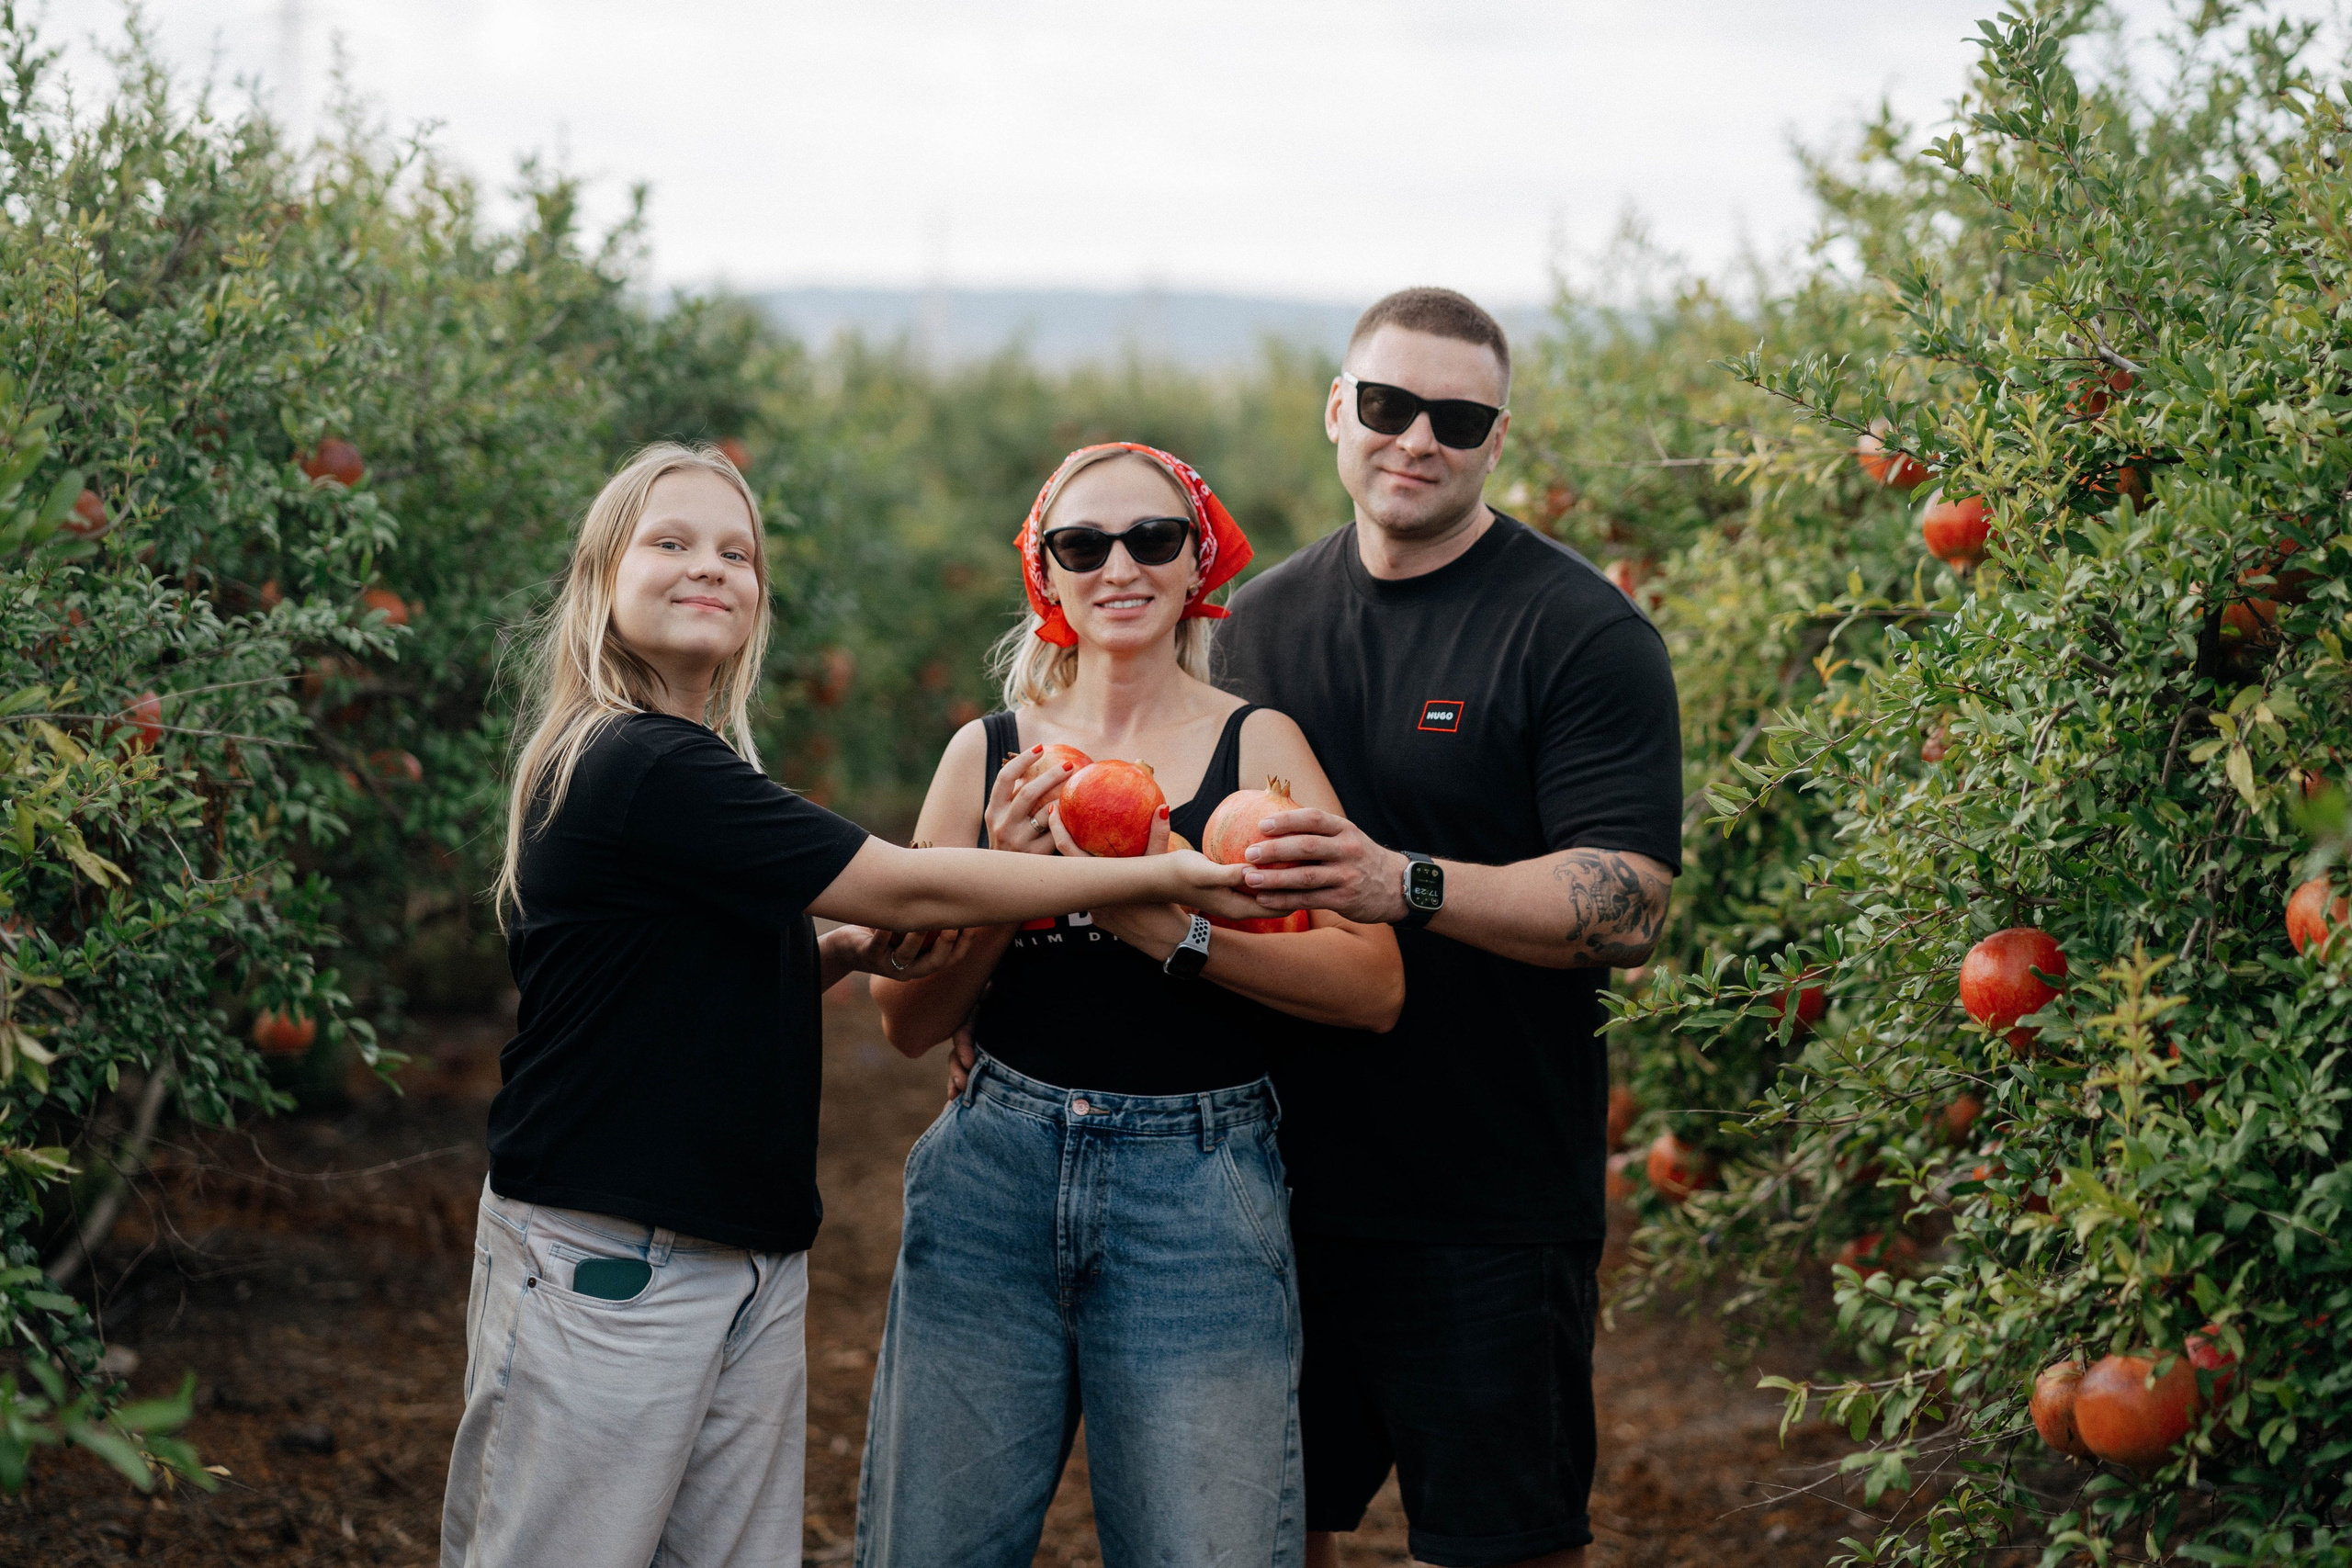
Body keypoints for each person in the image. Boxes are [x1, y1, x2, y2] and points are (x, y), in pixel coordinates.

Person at [439, 443, 1261, 1568]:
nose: (709, 568)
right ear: (600, 578)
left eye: (737, 552)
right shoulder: (633, 760)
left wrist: (831, 954)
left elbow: (670, 978)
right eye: (670, 544)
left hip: (738, 1251)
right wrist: (1159, 874)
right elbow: (905, 875)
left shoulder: (693, 758)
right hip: (611, 1251)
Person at [853, 442, 1404, 1568]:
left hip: (1196, 1190)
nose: (1119, 566)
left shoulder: (1259, 749)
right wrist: (1009, 887)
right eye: (1081, 543)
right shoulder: (989, 756)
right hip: (991, 1178)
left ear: (1197, 561)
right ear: (1043, 573)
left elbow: (1373, 984)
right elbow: (904, 1022)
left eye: (1152, 539)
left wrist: (1168, 927)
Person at [1219, 288, 1684, 1568]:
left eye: (1458, 415)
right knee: (1261, 1533)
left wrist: (1406, 882)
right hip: (1261, 1189)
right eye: (1387, 404)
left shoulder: (1579, 630)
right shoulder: (1251, 625)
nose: (1417, 436)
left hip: (1484, 1200)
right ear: (1336, 411)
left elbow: (1632, 899)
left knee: (1498, 1544)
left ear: (1497, 436)